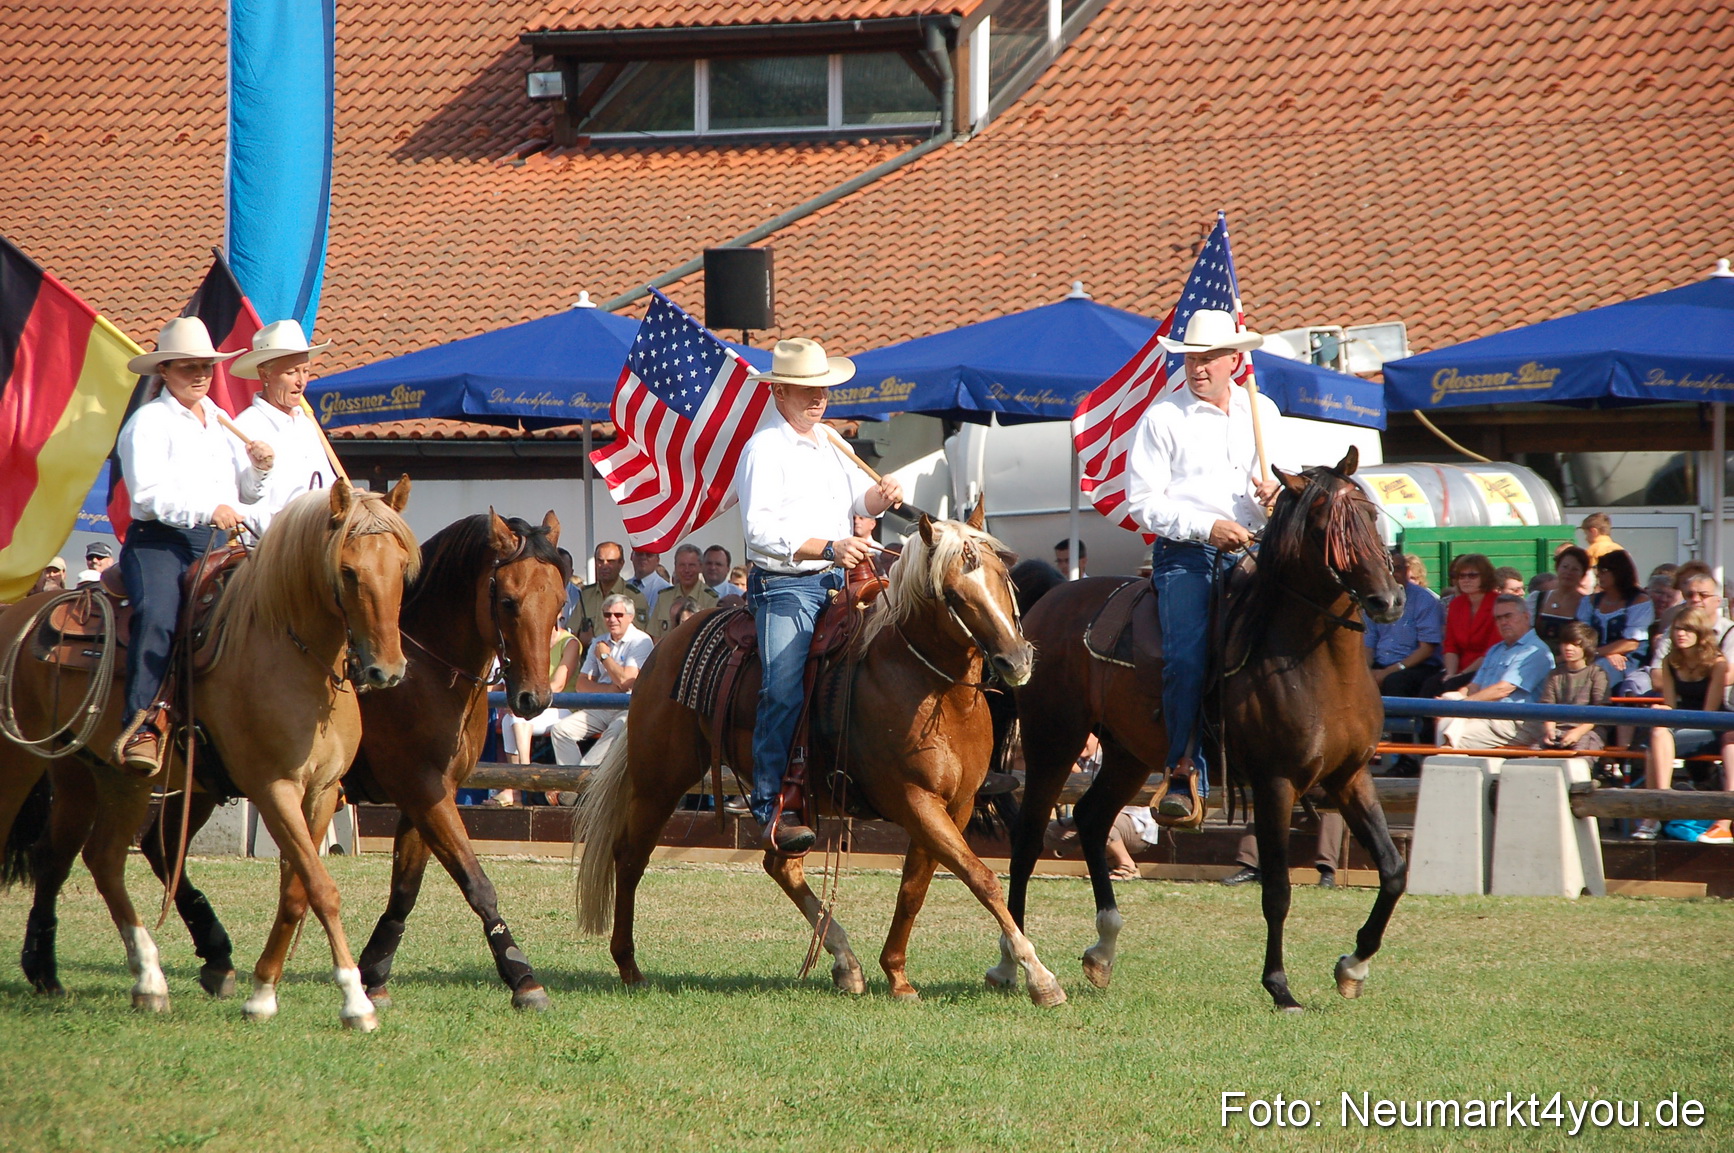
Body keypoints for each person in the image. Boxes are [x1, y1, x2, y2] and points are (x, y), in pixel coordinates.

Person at [736, 337, 902, 854]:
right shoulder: (764, 448)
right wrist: (831, 547)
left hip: (838, 580)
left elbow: (861, 499)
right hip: (786, 587)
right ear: (779, 392)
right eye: (808, 389)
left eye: (823, 388)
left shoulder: (830, 439)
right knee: (783, 690)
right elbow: (759, 531)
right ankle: (769, 805)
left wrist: (883, 495)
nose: (819, 397)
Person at [1123, 308, 1281, 825]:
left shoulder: (1262, 411)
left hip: (1254, 548)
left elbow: (1277, 486)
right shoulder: (1163, 417)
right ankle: (1182, 770)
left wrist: (1276, 494)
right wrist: (1207, 527)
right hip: (1186, 554)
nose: (1199, 367)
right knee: (1187, 658)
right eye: (1192, 358)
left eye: (1210, 357)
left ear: (1234, 360)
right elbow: (1143, 504)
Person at [112, 317, 274, 775]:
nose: (200, 374)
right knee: (159, 615)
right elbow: (145, 496)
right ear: (164, 371)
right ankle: (143, 724)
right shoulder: (148, 423)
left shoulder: (220, 420)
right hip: (159, 544)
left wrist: (260, 469)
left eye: (206, 366)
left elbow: (245, 495)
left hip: (217, 544)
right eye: (189, 367)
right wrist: (207, 510)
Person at [1633, 607, 1734, 841]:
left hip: (1710, 725)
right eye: (1678, 629)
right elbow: (1671, 705)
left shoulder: (1717, 663)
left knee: (1654, 745)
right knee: (1658, 733)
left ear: (1700, 633)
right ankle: (1661, 803)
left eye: (1688, 629)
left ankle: (1656, 813)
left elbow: (1709, 713)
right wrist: (1662, 711)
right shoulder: (1670, 661)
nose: (1681, 634)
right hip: (1681, 723)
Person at [230, 319, 339, 533]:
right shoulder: (244, 427)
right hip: (267, 545)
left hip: (315, 539)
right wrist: (260, 469)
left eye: (305, 371)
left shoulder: (306, 424)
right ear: (265, 374)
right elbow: (243, 498)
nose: (301, 381)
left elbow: (328, 486)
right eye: (291, 372)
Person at [1435, 595, 1554, 750]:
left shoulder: (1536, 650)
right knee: (1448, 703)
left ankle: (1445, 757)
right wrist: (1452, 700)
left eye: (1508, 616)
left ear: (1526, 617)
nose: (1503, 622)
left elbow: (1503, 689)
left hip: (1516, 720)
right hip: (1486, 714)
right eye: (1498, 618)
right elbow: (1474, 687)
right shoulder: (1495, 650)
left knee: (1455, 737)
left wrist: (1460, 706)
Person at [548, 594, 654, 767]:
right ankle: (575, 778)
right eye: (607, 615)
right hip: (601, 706)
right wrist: (608, 690)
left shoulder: (641, 641)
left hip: (628, 708)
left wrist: (605, 657)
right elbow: (581, 684)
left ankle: (583, 775)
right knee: (560, 730)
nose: (612, 619)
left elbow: (626, 681)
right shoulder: (599, 641)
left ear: (630, 617)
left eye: (618, 615)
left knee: (614, 733)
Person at [491, 623, 581, 807]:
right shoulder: (531, 642)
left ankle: (521, 777)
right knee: (510, 719)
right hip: (535, 705)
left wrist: (527, 701)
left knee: (517, 716)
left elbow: (558, 685)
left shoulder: (570, 643)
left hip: (562, 706)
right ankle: (518, 782)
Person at [1367, 549, 1445, 698]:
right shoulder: (1374, 600)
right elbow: (1368, 644)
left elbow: (1427, 648)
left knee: (1395, 682)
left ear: (1406, 571)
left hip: (1417, 666)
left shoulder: (1425, 600)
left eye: (1397, 568)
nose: (1392, 574)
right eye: (1386, 569)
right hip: (1381, 663)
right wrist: (1366, 671)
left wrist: (1388, 671)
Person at [1422, 553, 1500, 697]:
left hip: (1486, 668)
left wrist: (1461, 675)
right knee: (1430, 685)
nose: (1466, 580)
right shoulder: (1456, 604)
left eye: (1472, 576)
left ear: (1485, 577)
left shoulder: (1498, 603)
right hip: (1459, 667)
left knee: (1452, 686)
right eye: (1461, 576)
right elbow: (1451, 645)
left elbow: (1491, 651)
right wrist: (1451, 673)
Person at [1530, 621, 1610, 751]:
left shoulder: (1597, 673)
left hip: (1588, 731)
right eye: (1565, 643)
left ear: (1587, 647)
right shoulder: (1554, 674)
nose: (1568, 648)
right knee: (1532, 756)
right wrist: (1550, 731)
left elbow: (1601, 710)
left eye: (1575, 645)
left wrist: (1577, 732)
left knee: (1579, 757)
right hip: (1558, 729)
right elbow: (1547, 707)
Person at [1587, 549, 1653, 693]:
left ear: (1619, 572)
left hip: (1628, 661)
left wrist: (1598, 653)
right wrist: (1605, 654)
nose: (1598, 574)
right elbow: (1581, 631)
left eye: (1604, 570)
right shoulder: (1591, 601)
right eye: (1598, 570)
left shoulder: (1639, 601)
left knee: (1601, 669)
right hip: (1594, 657)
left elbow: (1632, 643)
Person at [567, 541, 648, 647]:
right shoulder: (586, 595)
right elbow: (572, 633)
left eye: (610, 562)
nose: (604, 566)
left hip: (621, 654)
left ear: (621, 564)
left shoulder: (634, 597)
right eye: (600, 561)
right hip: (589, 654)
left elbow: (639, 637)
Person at [1045, 806, 1158, 881]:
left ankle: (1128, 866)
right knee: (1048, 833)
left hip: (1137, 821)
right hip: (1089, 815)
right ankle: (1109, 864)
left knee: (1098, 819)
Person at [648, 543, 719, 638]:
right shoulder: (664, 598)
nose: (686, 570)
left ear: (700, 567)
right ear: (675, 567)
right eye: (682, 565)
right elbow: (654, 637)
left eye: (691, 565)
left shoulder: (711, 599)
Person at [1527, 545, 1593, 645]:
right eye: (1565, 567)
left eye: (1575, 569)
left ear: (1583, 574)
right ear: (1557, 568)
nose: (1568, 572)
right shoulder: (1537, 599)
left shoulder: (1587, 604)